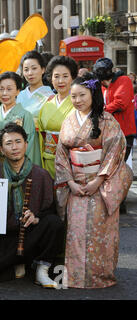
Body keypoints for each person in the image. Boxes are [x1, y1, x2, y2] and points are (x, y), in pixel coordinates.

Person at [55, 73, 133, 288]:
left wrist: (97, 181)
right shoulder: (69, 120)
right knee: (76, 231)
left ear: (93, 94)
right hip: (75, 184)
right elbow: (61, 155)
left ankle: (100, 277)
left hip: (100, 184)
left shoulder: (107, 120)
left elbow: (115, 152)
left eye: (82, 95)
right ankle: (75, 276)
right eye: (73, 96)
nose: (77, 100)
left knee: (100, 231)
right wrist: (70, 182)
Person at [0, 123, 64, 288]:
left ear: (26, 144)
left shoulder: (41, 175)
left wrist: (37, 218)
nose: (14, 147)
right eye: (8, 143)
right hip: (5, 236)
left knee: (54, 224)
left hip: (31, 234)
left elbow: (51, 210)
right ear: (2, 149)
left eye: (18, 142)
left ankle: (41, 268)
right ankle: (20, 265)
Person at [93, 58, 136, 215]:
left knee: (118, 168)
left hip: (124, 132)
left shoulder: (123, 80)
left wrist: (101, 111)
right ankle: (113, 201)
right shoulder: (104, 86)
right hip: (108, 132)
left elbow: (121, 103)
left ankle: (120, 202)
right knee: (109, 169)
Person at [37, 56, 78, 179]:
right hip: (47, 159)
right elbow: (41, 135)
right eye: (56, 76)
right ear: (50, 78)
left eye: (65, 76)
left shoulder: (78, 104)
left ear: (73, 78)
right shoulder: (47, 104)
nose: (60, 81)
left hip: (69, 161)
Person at [0, 71, 40, 166]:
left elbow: (30, 146)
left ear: (18, 91)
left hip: (18, 166)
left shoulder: (25, 115)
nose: (4, 93)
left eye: (9, 89)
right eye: (1, 89)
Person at [17, 51, 54, 120]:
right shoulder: (19, 95)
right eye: (26, 70)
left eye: (34, 68)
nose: (30, 73)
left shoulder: (50, 97)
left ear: (43, 69)